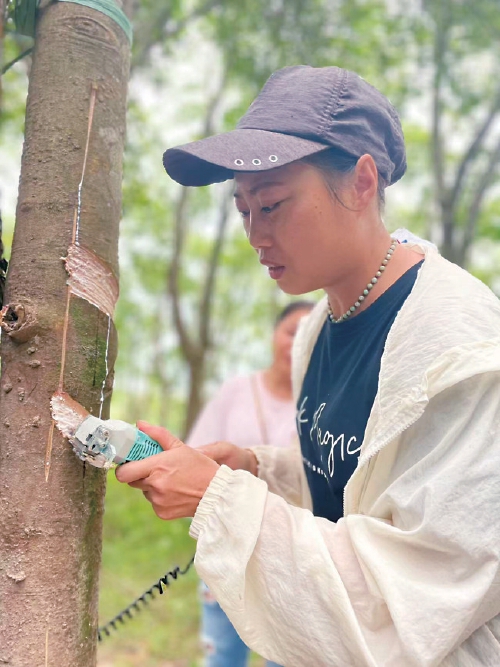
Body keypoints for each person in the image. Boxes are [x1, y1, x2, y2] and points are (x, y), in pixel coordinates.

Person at [117, 66, 500, 666]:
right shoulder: (317, 328)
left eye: (272, 205)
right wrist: (257, 470)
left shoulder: (461, 354)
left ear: (362, 182)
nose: (255, 235)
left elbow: (413, 603)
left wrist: (220, 498)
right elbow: (354, 488)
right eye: (244, 210)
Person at [187, 300, 314, 667]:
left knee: (287, 658)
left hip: (295, 558)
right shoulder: (236, 391)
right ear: (274, 334)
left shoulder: (321, 405)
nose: (297, 343)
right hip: (226, 549)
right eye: (291, 332)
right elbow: (197, 456)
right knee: (223, 654)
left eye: (309, 336)